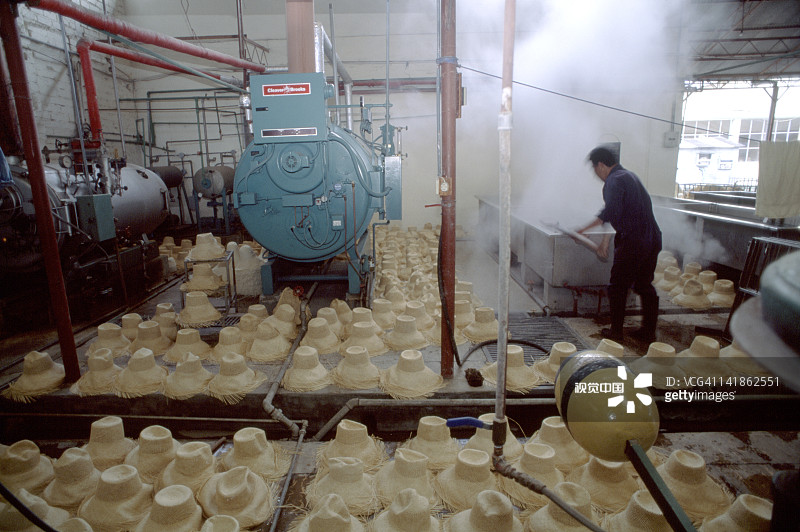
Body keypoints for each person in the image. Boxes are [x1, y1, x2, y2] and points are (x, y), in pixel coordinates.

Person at [576, 146, 661, 343]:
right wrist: (605, 240)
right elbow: (619, 212)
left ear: (601, 165)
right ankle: (648, 332)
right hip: (652, 238)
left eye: (594, 169)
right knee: (644, 285)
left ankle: (616, 333)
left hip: (635, 240)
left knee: (617, 287)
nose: (596, 174)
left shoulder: (613, 180)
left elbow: (610, 212)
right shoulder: (629, 176)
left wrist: (583, 230)